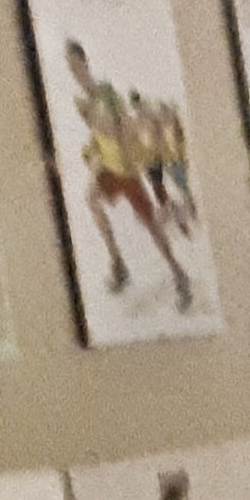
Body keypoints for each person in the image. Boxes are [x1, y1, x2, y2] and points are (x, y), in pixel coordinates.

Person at [62, 42, 192, 311]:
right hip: (107, 167)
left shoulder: (106, 94)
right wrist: (93, 155)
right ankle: (118, 262)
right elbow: (96, 134)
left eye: (78, 65)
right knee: (92, 200)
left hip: (125, 169)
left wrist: (132, 148)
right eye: (71, 68)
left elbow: (122, 127)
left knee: (150, 224)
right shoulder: (83, 103)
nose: (76, 72)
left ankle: (178, 273)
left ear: (85, 63)